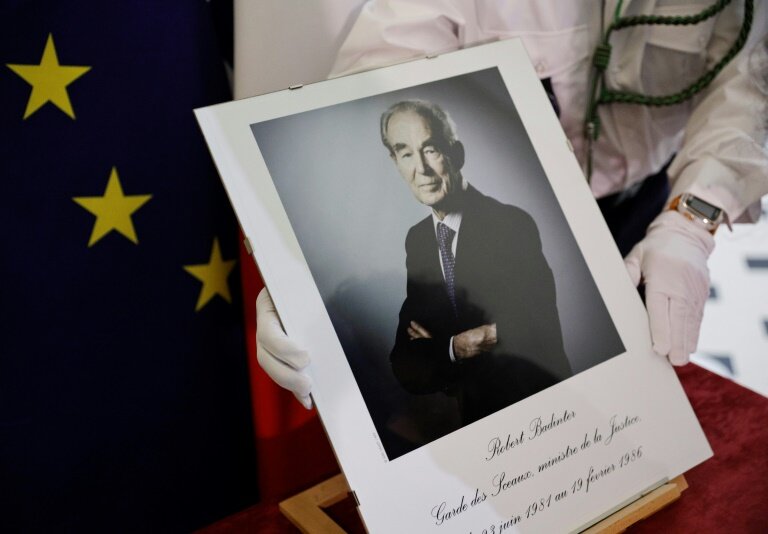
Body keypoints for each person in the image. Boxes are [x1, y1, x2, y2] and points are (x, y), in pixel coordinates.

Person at [255, 0, 768, 409]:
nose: (422, 165)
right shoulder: (420, 238)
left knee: (607, 406)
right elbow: (379, 77)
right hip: (519, 192)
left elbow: (748, 86)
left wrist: (690, 223)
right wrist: (307, 267)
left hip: (637, 211)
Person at [381, 99, 572, 424]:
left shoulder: (511, 224)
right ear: (396, 162)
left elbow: (535, 328)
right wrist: (460, 345)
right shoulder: (419, 240)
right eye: (406, 153)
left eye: (430, 149)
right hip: (477, 421)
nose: (421, 170)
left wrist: (441, 348)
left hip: (545, 410)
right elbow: (406, 364)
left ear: (457, 154)